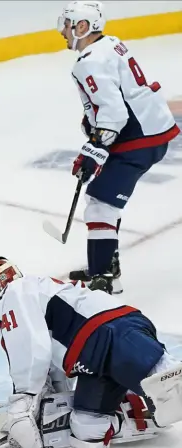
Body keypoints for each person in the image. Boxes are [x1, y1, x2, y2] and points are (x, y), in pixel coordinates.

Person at [0, 257, 182, 448]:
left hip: (111, 331)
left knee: (168, 385)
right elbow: (49, 361)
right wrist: (45, 408)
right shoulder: (35, 300)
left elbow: (29, 347)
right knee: (87, 428)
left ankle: (157, 397)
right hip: (94, 361)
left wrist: (23, 402)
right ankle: (141, 411)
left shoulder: (16, 291)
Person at [57, 1, 180, 294]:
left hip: (139, 137)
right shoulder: (110, 45)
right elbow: (114, 101)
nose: (62, 31)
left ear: (82, 26)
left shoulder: (89, 60)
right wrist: (94, 136)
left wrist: (95, 149)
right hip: (150, 129)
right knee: (104, 200)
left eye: (67, 24)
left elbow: (115, 114)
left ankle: (105, 278)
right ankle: (104, 265)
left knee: (101, 203)